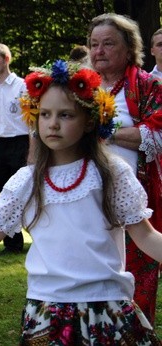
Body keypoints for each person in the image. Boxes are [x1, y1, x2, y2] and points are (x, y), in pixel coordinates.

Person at [0, 60, 162, 345]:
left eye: (66, 115)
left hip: (106, 305)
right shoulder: (26, 181)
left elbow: (145, 235)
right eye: (45, 114)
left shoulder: (111, 173)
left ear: (90, 121)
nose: (53, 124)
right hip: (48, 308)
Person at [88, 13, 162, 325]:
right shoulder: (82, 87)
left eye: (108, 44)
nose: (98, 51)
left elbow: (154, 136)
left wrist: (98, 129)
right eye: (93, 44)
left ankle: (135, 332)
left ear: (129, 48)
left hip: (135, 198)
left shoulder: (147, 86)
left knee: (136, 271)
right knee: (93, 270)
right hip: (87, 197)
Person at [0, 43, 32, 253]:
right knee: (2, 192)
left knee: (25, 192)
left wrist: (32, 150)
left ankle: (40, 235)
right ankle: (12, 242)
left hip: (21, 141)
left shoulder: (22, 86)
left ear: (6, 59)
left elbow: (31, 121)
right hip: (2, 144)